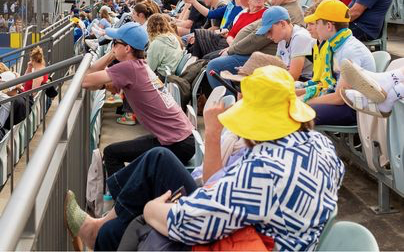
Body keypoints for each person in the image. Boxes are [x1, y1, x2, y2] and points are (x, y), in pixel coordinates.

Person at [64, 66, 343, 251]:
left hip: (253, 241)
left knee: (146, 221)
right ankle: (97, 232)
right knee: (158, 163)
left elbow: (188, 224)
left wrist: (151, 209)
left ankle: (97, 232)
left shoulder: (263, 170)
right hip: (278, 235)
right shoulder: (322, 145)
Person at [82, 22, 195, 176]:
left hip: (176, 143)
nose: (112, 47)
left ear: (127, 48)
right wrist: (103, 81)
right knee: (122, 154)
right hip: (182, 138)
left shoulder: (129, 68)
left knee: (111, 153)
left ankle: (124, 199)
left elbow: (85, 80)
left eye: (115, 43)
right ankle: (128, 193)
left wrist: (109, 56)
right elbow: (104, 86)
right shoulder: (139, 65)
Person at [301, 0, 376, 126]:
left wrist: (305, 101)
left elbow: (340, 98)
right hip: (345, 102)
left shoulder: (349, 50)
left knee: (298, 113)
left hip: (356, 108)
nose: (315, 27)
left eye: (317, 23)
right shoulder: (337, 45)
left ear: (329, 26)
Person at [256, 6, 315, 81]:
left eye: (269, 31)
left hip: (308, 81)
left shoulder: (299, 37)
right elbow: (276, 66)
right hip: (298, 80)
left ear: (282, 24)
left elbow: (293, 76)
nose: (268, 36)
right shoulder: (282, 39)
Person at [145, 14, 182, 78]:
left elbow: (150, 68)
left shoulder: (156, 43)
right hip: (172, 73)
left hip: (162, 76)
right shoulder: (173, 37)